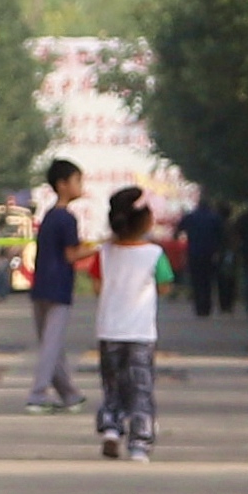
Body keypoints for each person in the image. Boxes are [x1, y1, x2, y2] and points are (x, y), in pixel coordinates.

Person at [87, 185, 172, 461]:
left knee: (112, 385)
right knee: (140, 389)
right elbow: (164, 286)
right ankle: (139, 443)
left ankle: (111, 430)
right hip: (140, 334)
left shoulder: (104, 252)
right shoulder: (155, 254)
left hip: (109, 330)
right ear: (145, 221)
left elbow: (97, 286)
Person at [18, 158, 90, 411]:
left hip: (41, 285)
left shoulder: (49, 216)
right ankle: (37, 395)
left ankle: (69, 394)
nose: (80, 186)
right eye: (77, 181)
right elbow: (71, 255)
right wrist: (99, 247)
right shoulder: (67, 218)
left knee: (52, 344)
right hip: (59, 287)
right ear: (62, 185)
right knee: (51, 344)